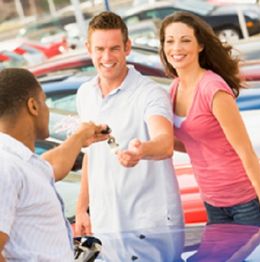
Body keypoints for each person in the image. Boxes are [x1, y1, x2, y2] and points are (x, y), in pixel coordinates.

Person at [75, 11, 183, 235]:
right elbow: (90, 155)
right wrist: (81, 208)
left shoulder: (150, 93)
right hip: (106, 224)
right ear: (88, 49)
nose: (107, 57)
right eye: (100, 49)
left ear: (127, 47)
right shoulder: (85, 93)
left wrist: (141, 150)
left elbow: (164, 143)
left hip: (151, 225)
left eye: (114, 48)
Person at [159, 11, 260, 225]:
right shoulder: (174, 89)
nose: (176, 48)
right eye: (170, 41)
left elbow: (246, 152)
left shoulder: (212, 89)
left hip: (245, 202)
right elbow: (191, 143)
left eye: (185, 40)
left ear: (200, 45)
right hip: (212, 202)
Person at [0, 68, 109, 261]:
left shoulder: (21, 161)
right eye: (44, 102)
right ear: (33, 106)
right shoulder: (6, 167)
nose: (46, 109)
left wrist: (80, 137)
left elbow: (51, 166)